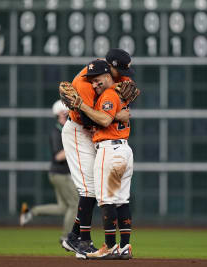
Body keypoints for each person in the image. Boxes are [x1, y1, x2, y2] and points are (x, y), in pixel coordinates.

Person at [61, 49, 134, 258]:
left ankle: (75, 236)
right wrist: (117, 114)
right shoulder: (85, 86)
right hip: (78, 131)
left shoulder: (109, 73)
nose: (122, 75)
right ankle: (83, 242)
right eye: (118, 70)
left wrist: (115, 111)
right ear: (108, 68)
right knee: (90, 189)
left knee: (98, 190)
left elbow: (128, 88)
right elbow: (90, 121)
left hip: (99, 136)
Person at [19, 100, 79, 244]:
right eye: (67, 113)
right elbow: (58, 156)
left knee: (63, 208)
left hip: (59, 174)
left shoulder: (64, 130)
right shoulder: (56, 132)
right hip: (60, 174)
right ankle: (66, 237)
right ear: (60, 114)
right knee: (75, 204)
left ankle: (31, 212)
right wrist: (75, 145)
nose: (70, 116)